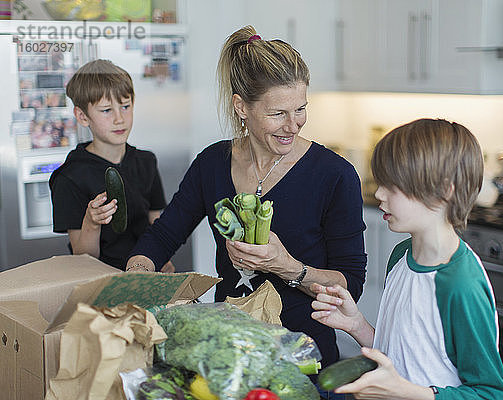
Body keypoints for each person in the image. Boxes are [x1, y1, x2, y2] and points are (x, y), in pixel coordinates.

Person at [127, 25, 367, 374]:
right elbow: (163, 236)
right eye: (278, 114)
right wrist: (138, 274)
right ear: (242, 107)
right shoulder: (212, 164)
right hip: (228, 356)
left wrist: (285, 266)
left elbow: (351, 285)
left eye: (300, 109)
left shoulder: (334, 175)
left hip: (304, 363)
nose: (293, 125)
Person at [311, 119, 503, 399]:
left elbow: (491, 393)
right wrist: (356, 324)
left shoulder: (460, 283)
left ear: (444, 189)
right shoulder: (401, 256)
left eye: (393, 186)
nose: (379, 193)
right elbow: (405, 355)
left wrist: (408, 393)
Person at [49, 59, 174, 272]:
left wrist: (163, 258)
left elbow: (155, 222)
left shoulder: (146, 162)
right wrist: (92, 221)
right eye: (106, 110)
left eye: (125, 106)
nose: (119, 119)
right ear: (82, 116)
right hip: (101, 282)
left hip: (148, 274)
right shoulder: (69, 177)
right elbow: (84, 258)